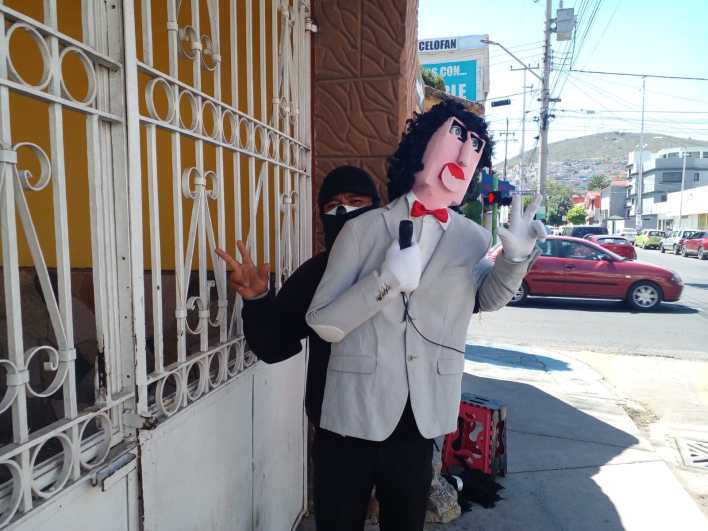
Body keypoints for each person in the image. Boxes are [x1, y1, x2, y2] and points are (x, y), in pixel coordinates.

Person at [305, 99, 545, 531]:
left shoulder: (471, 238)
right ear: (420, 150)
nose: (461, 158)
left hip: (421, 416)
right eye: (454, 140)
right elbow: (323, 320)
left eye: (473, 149)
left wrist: (516, 260)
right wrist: (385, 280)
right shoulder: (364, 228)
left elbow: (486, 300)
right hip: (352, 415)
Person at [214, 165, 381, 514]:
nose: (344, 212)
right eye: (333, 205)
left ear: (376, 207)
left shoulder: (405, 263)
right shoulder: (317, 273)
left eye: (355, 201)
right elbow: (273, 344)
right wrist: (258, 300)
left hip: (404, 432)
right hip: (338, 429)